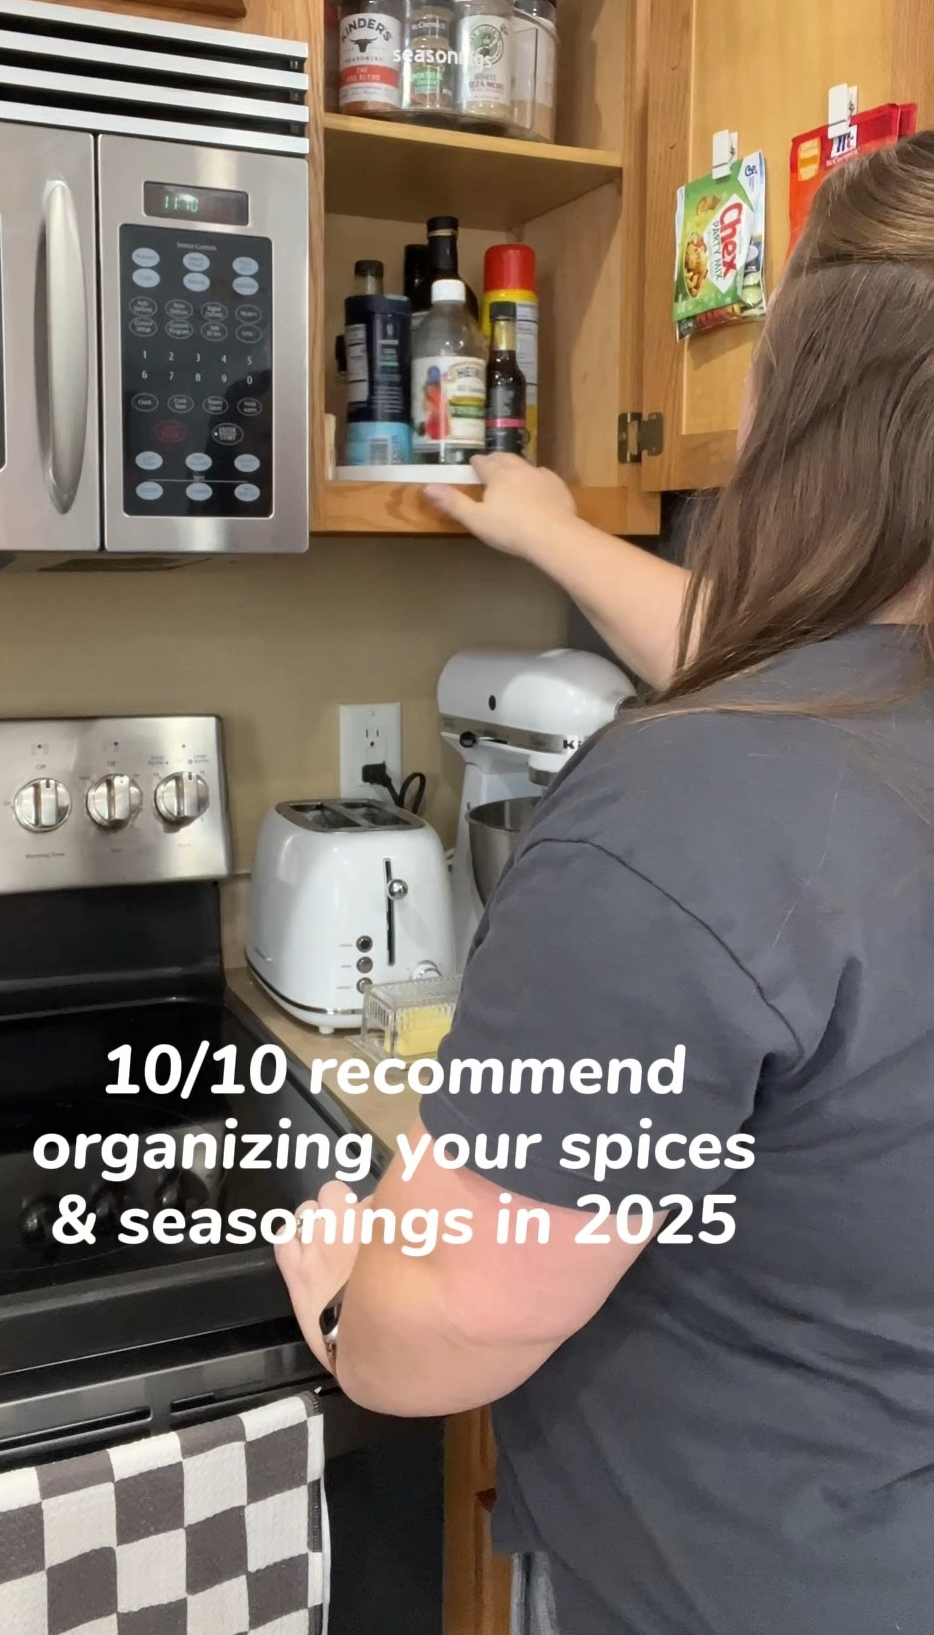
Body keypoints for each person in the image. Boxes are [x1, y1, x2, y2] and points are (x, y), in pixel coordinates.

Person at [276, 132, 934, 1634]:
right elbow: (813, 674)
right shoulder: (832, 753)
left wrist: (344, 1300)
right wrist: (562, 536)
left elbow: (451, 1319)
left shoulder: (687, 807)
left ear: (790, 412)